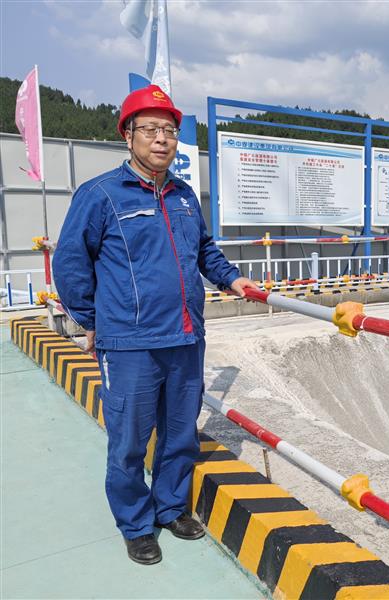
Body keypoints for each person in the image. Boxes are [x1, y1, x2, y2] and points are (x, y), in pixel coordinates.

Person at [53, 85, 259, 565]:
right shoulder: (101, 195)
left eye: (168, 130)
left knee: (180, 433)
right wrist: (92, 320)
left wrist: (231, 278)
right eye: (149, 129)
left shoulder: (184, 195)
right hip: (129, 344)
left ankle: (169, 508)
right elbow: (70, 262)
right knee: (128, 441)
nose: (161, 139)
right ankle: (136, 524)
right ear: (128, 136)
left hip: (185, 337)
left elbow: (203, 249)